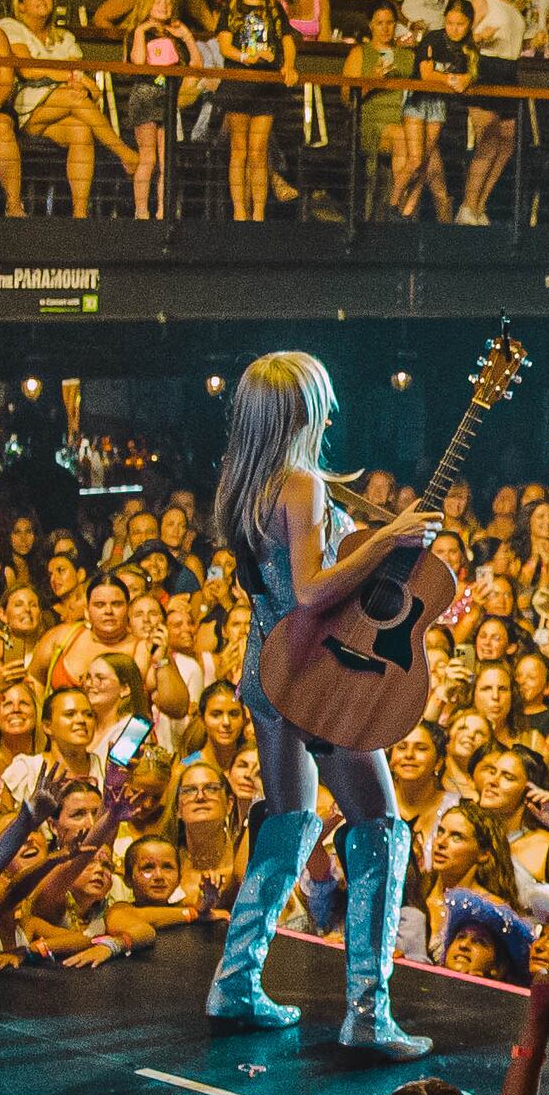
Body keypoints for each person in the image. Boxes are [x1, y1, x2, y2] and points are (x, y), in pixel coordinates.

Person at [203, 350, 436, 1058]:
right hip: (321, 679)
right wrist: (390, 540)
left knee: (291, 819)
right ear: (300, 412)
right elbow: (311, 590)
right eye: (322, 402)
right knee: (381, 828)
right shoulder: (300, 484)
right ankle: (368, 1012)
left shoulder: (244, 484)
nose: (332, 413)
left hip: (267, 670)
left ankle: (237, 981)